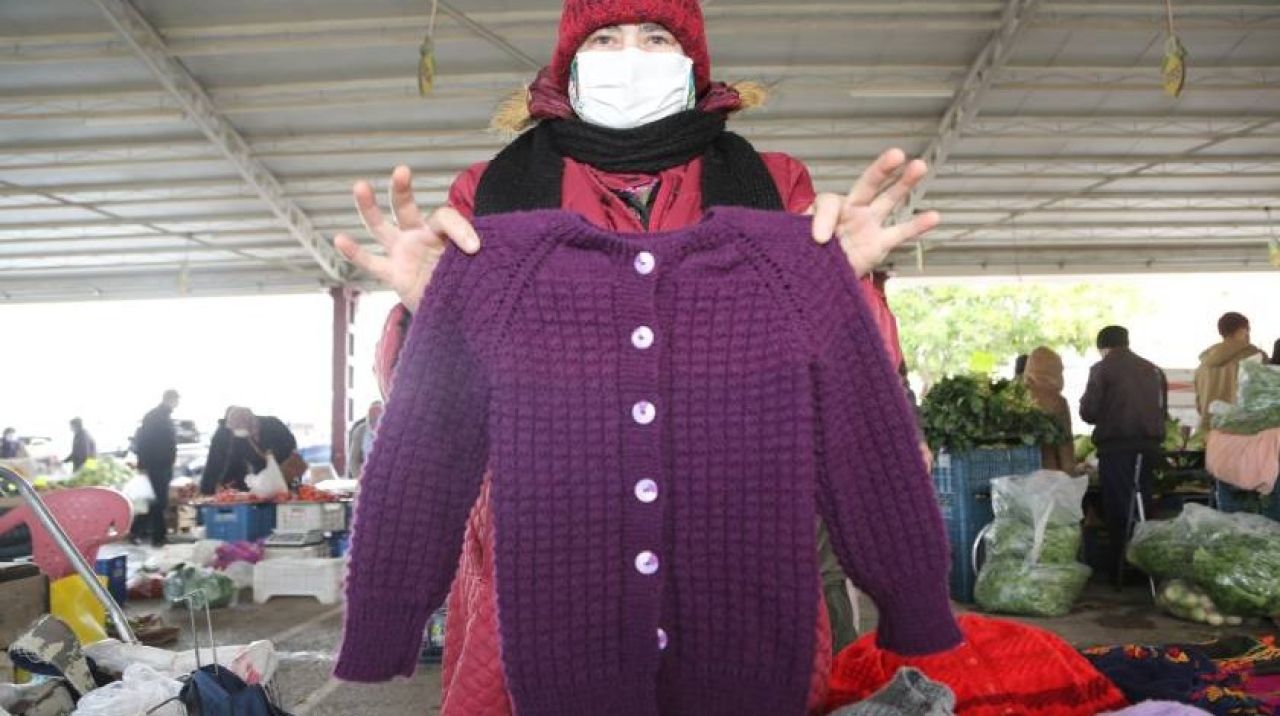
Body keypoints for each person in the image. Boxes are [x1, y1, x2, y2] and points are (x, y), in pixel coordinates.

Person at [332, 1, 949, 710]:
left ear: (693, 67)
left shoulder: (774, 185)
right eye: (605, 38)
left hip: (743, 571)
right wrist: (427, 308)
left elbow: (852, 400)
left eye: (656, 37)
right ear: (569, 67)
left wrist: (845, 283)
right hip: (537, 572)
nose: (631, 54)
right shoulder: (490, 192)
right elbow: (431, 430)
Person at [1079, 326, 1167, 584]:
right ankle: (1144, 569)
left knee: (1118, 507)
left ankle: (1120, 571)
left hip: (1116, 448)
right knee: (1143, 504)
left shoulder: (1102, 369)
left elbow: (1089, 412)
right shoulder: (1154, 370)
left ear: (1103, 348)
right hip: (1150, 448)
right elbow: (1162, 411)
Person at [1194, 312, 1268, 429]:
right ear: (1242, 330)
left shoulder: (1203, 365)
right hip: (1243, 430)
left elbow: (1199, 406)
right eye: (1247, 329)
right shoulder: (1255, 357)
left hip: (1208, 431)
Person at [201, 407, 299, 493]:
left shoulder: (273, 424)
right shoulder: (234, 436)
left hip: (284, 474)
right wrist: (217, 486)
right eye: (234, 428)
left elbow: (291, 444)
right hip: (257, 481)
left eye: (238, 427)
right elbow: (226, 462)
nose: (235, 431)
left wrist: (270, 453)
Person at [132, 390, 180, 546]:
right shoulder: (154, 417)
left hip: (164, 466)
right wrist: (143, 466)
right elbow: (143, 442)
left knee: (156, 501)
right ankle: (157, 537)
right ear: (170, 399)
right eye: (176, 400)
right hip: (155, 466)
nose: (177, 403)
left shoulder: (165, 417)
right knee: (158, 501)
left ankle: (138, 532)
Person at [1023, 347, 1076, 474]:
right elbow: (1065, 447)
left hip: (1019, 474)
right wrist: (1071, 472)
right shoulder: (1057, 402)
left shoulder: (1017, 398)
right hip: (1049, 474)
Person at [346, 401, 384, 480]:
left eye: (379, 411)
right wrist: (361, 478)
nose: (375, 415)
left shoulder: (392, 431)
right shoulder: (360, 430)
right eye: (372, 412)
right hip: (365, 475)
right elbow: (353, 460)